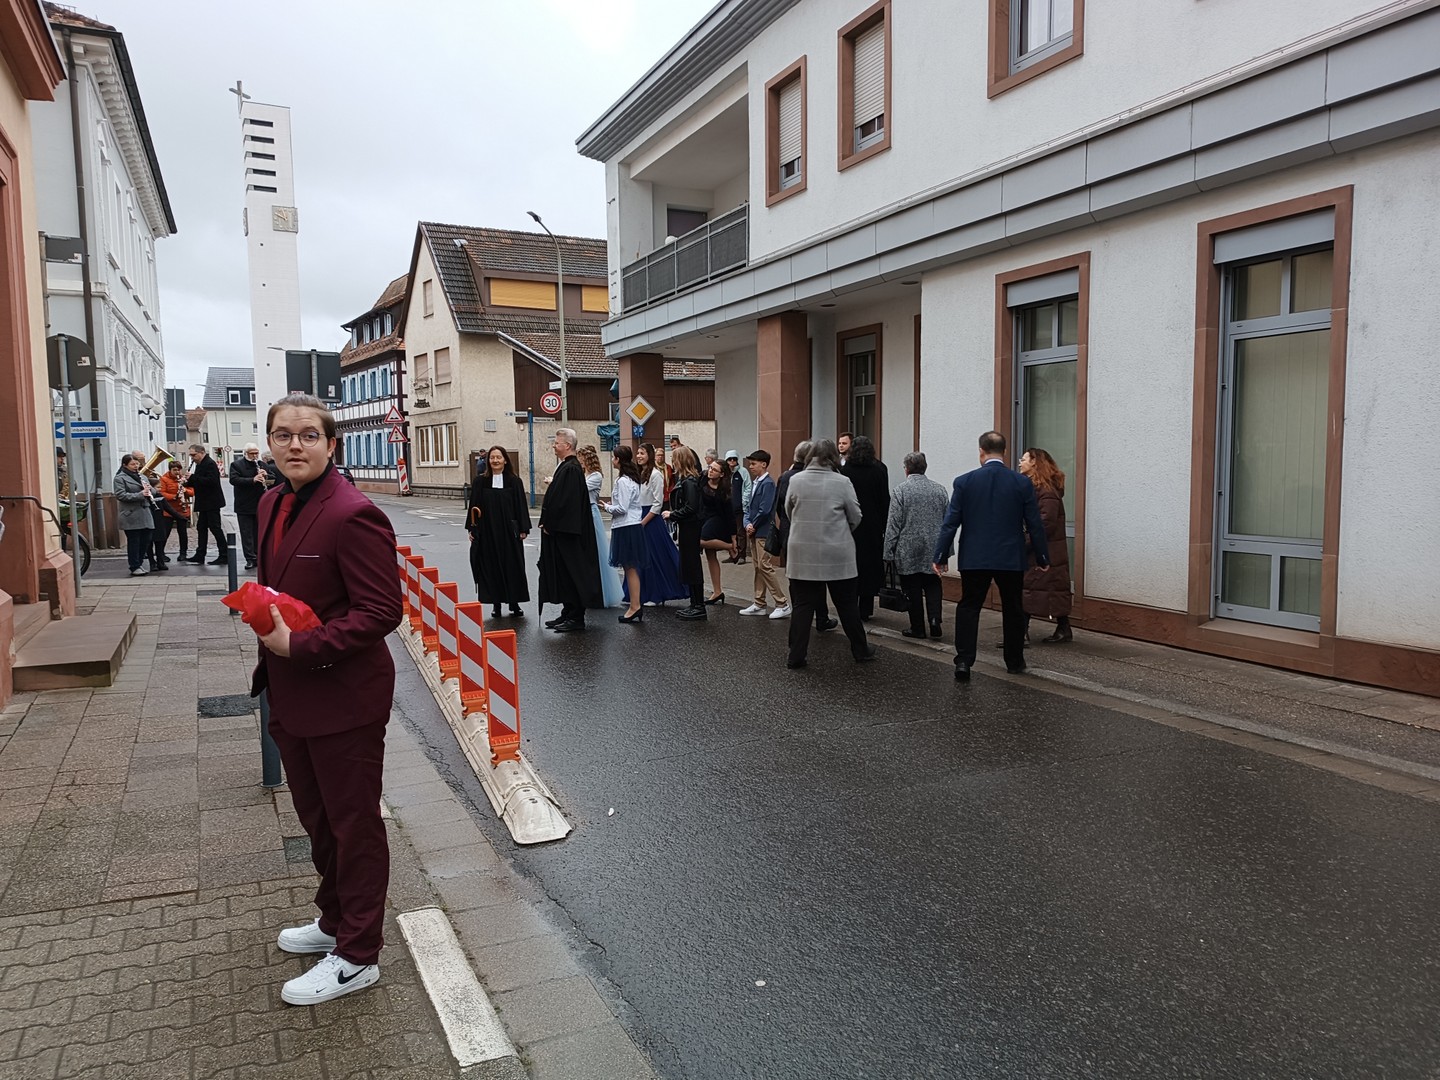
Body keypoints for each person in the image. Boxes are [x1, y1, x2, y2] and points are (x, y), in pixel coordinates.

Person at [251, 392, 403, 1007]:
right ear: (269, 442)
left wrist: (301, 646)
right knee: (317, 819)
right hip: (290, 694)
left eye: (308, 435)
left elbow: (381, 611)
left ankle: (358, 955)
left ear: (331, 444)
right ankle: (336, 919)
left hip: (344, 696)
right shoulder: (271, 502)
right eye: (283, 435)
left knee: (353, 824)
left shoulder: (353, 513)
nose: (295, 445)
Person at [933, 431, 1049, 682]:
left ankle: (964, 661)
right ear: (1004, 452)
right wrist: (1042, 556)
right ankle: (1014, 661)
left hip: (975, 556)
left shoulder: (964, 482)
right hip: (1010, 556)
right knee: (1013, 608)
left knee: (969, 606)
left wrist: (941, 555)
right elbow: (1035, 524)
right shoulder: (1021, 483)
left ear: (981, 452)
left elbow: (950, 522)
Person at [783, 439, 874, 669]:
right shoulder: (842, 482)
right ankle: (860, 650)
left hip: (802, 551)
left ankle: (796, 655)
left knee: (803, 605)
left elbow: (788, 511)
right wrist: (841, 530)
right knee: (847, 605)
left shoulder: (796, 480)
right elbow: (856, 515)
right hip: (837, 551)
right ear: (834, 457)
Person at [537, 428, 604, 632]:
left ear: (567, 445)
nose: (553, 446)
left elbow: (566, 503)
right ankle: (568, 612)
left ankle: (576, 617)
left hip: (569, 533)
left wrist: (551, 524)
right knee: (564, 574)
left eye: (556, 443)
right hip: (562, 532)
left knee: (573, 574)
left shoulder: (572, 469)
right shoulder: (567, 466)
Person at [884, 451, 949, 640]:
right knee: (933, 583)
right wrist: (946, 550)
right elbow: (947, 522)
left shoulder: (901, 491)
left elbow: (893, 523)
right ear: (924, 468)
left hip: (908, 546)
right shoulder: (940, 490)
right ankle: (935, 619)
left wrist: (888, 551)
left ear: (906, 469)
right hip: (934, 546)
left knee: (911, 586)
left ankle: (918, 627)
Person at [776, 440, 838, 634]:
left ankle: (800, 615)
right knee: (817, 579)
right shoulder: (812, 477)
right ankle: (821, 617)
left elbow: (781, 507)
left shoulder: (786, 477)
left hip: (790, 534)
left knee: (794, 578)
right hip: (812, 535)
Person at [466, 446, 532, 619]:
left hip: (509, 532)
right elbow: (474, 507)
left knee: (513, 566)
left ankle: (514, 602)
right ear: (488, 461)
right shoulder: (480, 482)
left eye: (498, 457)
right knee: (490, 567)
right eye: (492, 458)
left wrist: (523, 529)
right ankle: (496, 604)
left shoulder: (514, 481)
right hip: (488, 532)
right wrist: (472, 529)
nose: (495, 461)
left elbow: (520, 506)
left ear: (505, 460)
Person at [1019, 447, 1073, 644]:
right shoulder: (1039, 488)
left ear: (1034, 462)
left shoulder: (1046, 491)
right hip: (1045, 550)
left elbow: (1045, 524)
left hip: (1043, 551)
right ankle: (1063, 629)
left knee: (1029, 589)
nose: (1020, 462)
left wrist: (1024, 543)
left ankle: (1020, 634)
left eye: (1024, 459)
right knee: (1046, 589)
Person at [628, 443, 686, 607]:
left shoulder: (656, 475)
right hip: (639, 516)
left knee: (654, 558)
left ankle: (656, 594)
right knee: (640, 558)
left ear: (650, 455)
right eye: (638, 453)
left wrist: (643, 522)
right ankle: (640, 593)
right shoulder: (639, 474)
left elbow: (657, 504)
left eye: (642, 453)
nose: (639, 456)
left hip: (650, 520)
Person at [840, 435, 890, 620]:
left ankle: (850, 604)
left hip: (850, 524)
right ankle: (866, 609)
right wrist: (885, 525)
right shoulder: (879, 469)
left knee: (852, 565)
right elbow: (884, 499)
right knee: (869, 566)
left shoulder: (846, 470)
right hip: (872, 524)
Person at [598, 445, 647, 624]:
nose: (612, 460)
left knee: (630, 568)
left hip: (626, 526)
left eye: (614, 457)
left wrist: (607, 507)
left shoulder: (623, 481)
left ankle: (635, 606)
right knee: (630, 568)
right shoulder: (631, 479)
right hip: (631, 525)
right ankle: (635, 605)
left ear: (619, 459)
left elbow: (622, 508)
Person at [739, 449, 790, 619]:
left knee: (764, 566)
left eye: (754, 464)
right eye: (750, 463)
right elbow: (748, 507)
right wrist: (747, 523)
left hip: (762, 531)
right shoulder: (756, 482)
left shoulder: (768, 483)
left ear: (763, 464)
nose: (751, 466)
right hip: (755, 530)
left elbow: (765, 509)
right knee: (758, 567)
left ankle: (782, 603)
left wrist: (752, 525)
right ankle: (759, 602)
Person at [662, 446, 707, 620]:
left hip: (690, 527)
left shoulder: (689, 481)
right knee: (689, 565)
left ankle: (698, 605)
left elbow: (691, 507)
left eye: (674, 459)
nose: (672, 462)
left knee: (692, 565)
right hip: (688, 526)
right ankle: (695, 604)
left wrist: (672, 514)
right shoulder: (687, 480)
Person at [578, 444, 623, 609]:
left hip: (591, 512)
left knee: (596, 552)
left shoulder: (595, 476)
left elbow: (580, 489)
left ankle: (599, 592)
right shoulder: (584, 474)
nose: (579, 462)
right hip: (582, 513)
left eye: (581, 459)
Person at [183, 444, 228, 565]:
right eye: (191, 455)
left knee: (215, 528)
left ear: (202, 452)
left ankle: (224, 554)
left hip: (212, 502)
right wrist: (186, 482)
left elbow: (211, 481)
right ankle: (200, 554)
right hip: (204, 502)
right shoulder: (200, 464)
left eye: (194, 455)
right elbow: (199, 481)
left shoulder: (209, 463)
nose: (192, 458)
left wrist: (192, 477)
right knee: (201, 528)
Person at [699, 457, 736, 605]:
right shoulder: (702, 479)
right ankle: (717, 591)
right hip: (704, 517)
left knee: (701, 541)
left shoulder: (724, 490)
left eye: (714, 470)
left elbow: (730, 515)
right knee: (710, 555)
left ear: (722, 474)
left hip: (718, 520)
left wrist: (733, 538)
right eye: (710, 468)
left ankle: (730, 547)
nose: (710, 471)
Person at [229, 443, 270, 570]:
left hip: (259, 503)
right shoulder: (237, 465)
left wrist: (266, 476)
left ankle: (259, 556)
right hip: (244, 505)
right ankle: (250, 558)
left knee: (259, 532)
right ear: (246, 453)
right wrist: (252, 479)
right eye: (252, 453)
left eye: (256, 453)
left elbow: (273, 480)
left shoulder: (262, 465)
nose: (255, 456)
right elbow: (234, 480)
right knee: (246, 534)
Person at [113, 454, 154, 577]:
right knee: (134, 541)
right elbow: (121, 495)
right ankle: (134, 565)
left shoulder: (143, 477)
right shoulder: (120, 478)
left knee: (146, 540)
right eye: (132, 464)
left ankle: (139, 563)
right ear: (125, 465)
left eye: (137, 464)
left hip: (145, 512)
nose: (136, 466)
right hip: (131, 514)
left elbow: (153, 491)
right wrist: (140, 494)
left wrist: (150, 490)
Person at [157, 460, 191, 562]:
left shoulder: (184, 479)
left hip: (182, 510)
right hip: (169, 510)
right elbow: (162, 493)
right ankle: (161, 553)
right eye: (175, 470)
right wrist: (174, 496)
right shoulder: (164, 479)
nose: (177, 472)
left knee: (183, 532)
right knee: (165, 532)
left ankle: (183, 553)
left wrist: (185, 491)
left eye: (179, 470)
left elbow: (192, 492)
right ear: (170, 470)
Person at [725, 450, 749, 564]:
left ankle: (742, 555)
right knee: (730, 532)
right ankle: (732, 554)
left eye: (734, 459)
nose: (732, 461)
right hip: (727, 508)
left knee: (740, 532)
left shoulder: (743, 472)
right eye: (730, 459)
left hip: (739, 507)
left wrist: (744, 502)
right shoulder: (725, 473)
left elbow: (748, 487)